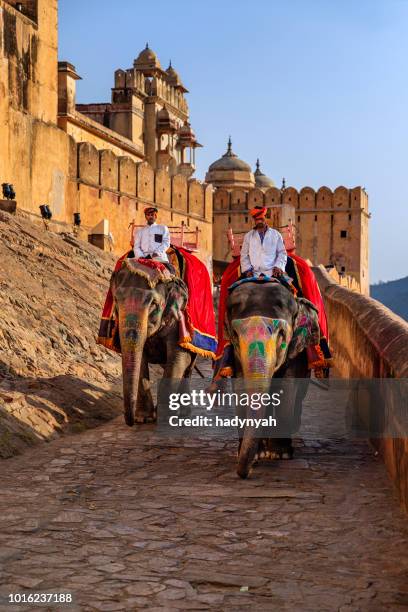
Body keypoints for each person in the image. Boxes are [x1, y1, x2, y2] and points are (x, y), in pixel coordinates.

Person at [240, 206, 287, 278]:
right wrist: (247, 270)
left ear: (265, 219)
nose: (259, 221)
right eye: (257, 219)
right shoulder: (248, 236)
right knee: (235, 287)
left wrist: (278, 267)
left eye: (261, 219)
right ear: (254, 221)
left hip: (272, 272)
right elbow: (244, 255)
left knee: (288, 287)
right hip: (253, 273)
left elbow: (282, 253)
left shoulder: (276, 235)